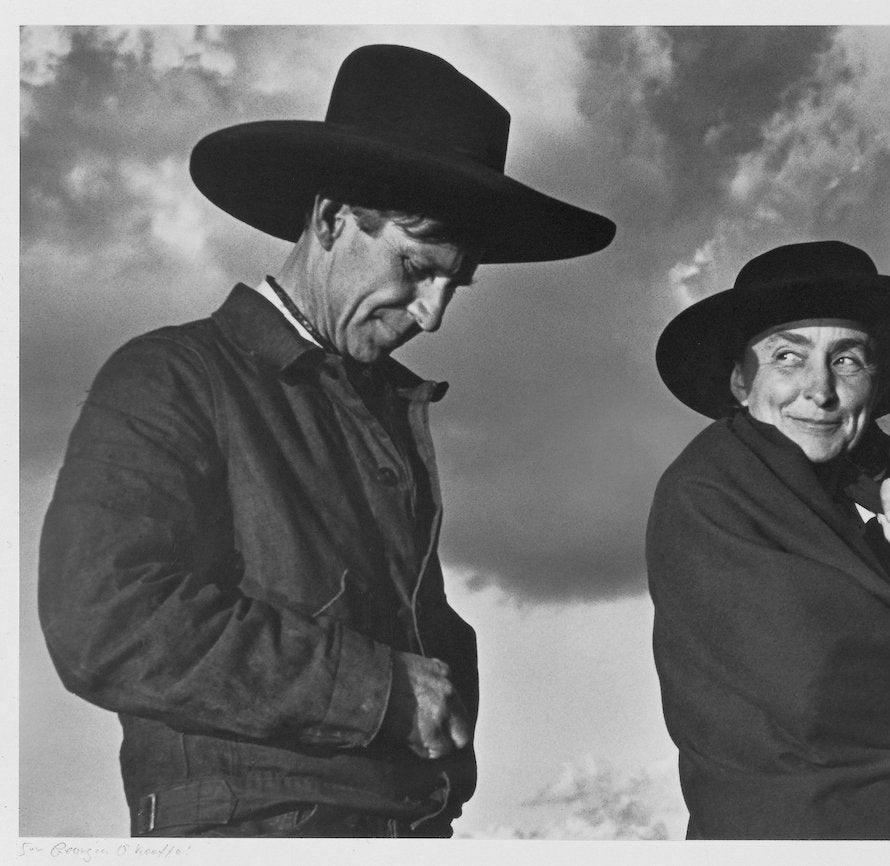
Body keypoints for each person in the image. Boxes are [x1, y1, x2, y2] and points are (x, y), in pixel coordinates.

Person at [38, 44, 614, 838]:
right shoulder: (171, 376)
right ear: (332, 219)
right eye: (415, 268)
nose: (433, 314)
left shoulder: (379, 408)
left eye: (456, 282)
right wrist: (383, 694)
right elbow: (103, 618)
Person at [646, 240, 890, 839]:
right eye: (789, 357)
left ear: (875, 382)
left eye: (847, 360)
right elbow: (823, 695)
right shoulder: (709, 494)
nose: (820, 390)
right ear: (741, 382)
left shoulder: (860, 511)